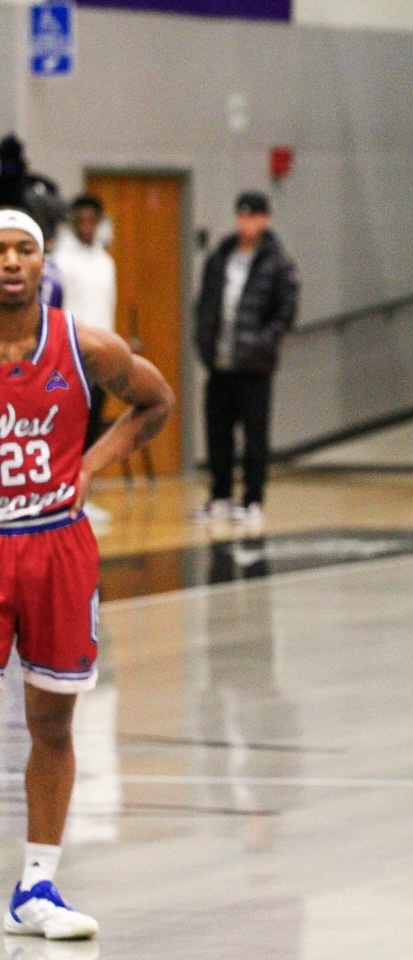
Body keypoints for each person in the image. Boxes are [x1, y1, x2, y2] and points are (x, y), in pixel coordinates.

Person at [0, 207, 174, 939]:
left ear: (45, 264)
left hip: (56, 545)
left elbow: (158, 402)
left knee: (53, 721)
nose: (10, 261)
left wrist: (91, 465)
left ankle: (36, 887)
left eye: (24, 250)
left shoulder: (88, 347)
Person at [192, 191, 299, 528]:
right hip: (220, 363)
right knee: (217, 433)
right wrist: (204, 345)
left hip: (254, 367)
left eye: (253, 216)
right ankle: (220, 495)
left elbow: (285, 313)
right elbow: (204, 305)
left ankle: (252, 499)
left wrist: (259, 345)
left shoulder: (278, 263)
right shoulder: (220, 257)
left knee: (254, 435)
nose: (246, 222)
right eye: (242, 215)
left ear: (265, 219)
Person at [53, 195, 116, 449]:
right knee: (67, 423)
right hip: (70, 352)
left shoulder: (105, 261)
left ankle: (83, 481)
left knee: (92, 423)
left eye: (92, 220)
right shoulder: (61, 261)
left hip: (100, 355)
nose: (86, 226)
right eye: (81, 220)